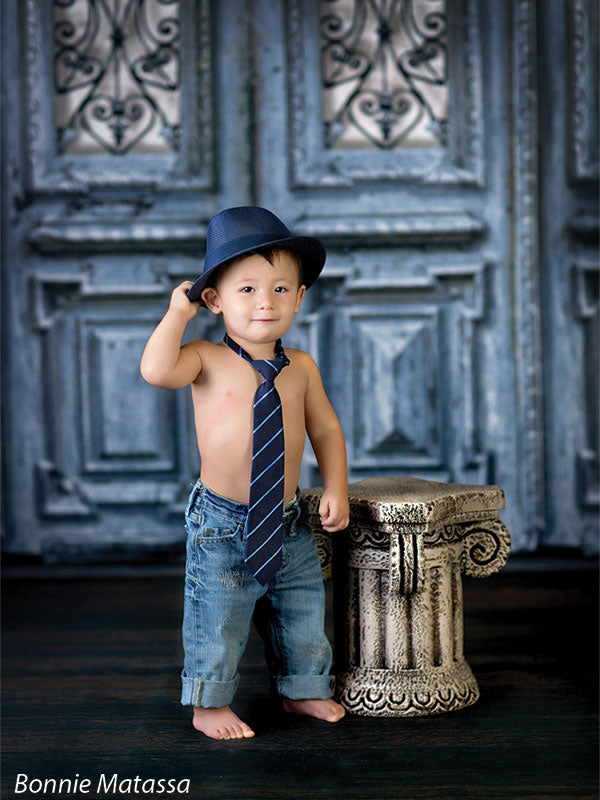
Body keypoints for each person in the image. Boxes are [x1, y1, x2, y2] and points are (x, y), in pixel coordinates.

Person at [140, 206, 349, 740]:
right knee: (220, 618)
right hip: (223, 524)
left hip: (288, 519)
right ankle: (209, 704)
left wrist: (336, 487)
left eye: (281, 289)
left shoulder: (300, 366)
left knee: (301, 611)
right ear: (214, 300)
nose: (265, 302)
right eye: (248, 289)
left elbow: (324, 429)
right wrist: (176, 315)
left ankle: (304, 690)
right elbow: (156, 371)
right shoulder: (204, 358)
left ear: (301, 297)